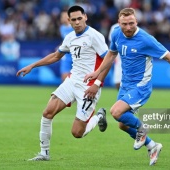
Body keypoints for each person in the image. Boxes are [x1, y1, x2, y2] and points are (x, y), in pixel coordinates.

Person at [84, 8, 170, 166]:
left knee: (115, 111)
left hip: (141, 86)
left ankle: (143, 127)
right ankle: (152, 146)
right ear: (118, 23)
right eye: (124, 24)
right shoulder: (116, 34)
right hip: (125, 85)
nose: (128, 27)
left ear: (136, 22)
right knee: (123, 125)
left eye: (131, 23)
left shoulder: (146, 39)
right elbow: (111, 55)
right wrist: (97, 72)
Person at [16, 5, 109, 161]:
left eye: (80, 18)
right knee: (47, 112)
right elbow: (55, 56)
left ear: (85, 17)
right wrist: (32, 65)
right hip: (72, 81)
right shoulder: (70, 37)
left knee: (77, 133)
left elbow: (108, 60)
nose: (78, 22)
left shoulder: (95, 36)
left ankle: (98, 117)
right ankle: (44, 154)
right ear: (69, 21)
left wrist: (97, 83)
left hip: (89, 87)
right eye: (74, 20)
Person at [59, 10, 74, 81]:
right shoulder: (62, 28)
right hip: (66, 55)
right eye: (62, 16)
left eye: (64, 16)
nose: (62, 18)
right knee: (64, 78)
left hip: (75, 55)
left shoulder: (74, 27)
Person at [108, 23, 122, 90]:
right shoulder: (114, 27)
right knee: (117, 83)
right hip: (118, 55)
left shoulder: (133, 26)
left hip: (129, 56)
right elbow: (111, 42)